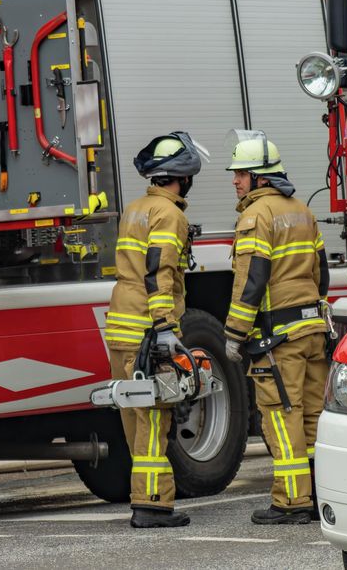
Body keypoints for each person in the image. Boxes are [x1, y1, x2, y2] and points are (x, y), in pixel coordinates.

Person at [222, 130, 330, 525]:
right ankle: (321, 496)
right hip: (311, 331)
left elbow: (252, 278)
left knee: (281, 416)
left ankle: (290, 502)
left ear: (261, 178)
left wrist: (234, 334)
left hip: (277, 340)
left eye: (242, 173)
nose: (235, 180)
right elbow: (322, 276)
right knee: (313, 416)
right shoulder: (302, 210)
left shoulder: (256, 215)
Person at [104, 131, 205, 529]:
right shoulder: (171, 215)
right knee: (153, 417)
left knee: (135, 418)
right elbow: (159, 272)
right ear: (183, 176)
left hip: (121, 324)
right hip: (147, 328)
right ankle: (151, 505)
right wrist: (164, 326)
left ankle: (144, 497)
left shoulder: (135, 208)